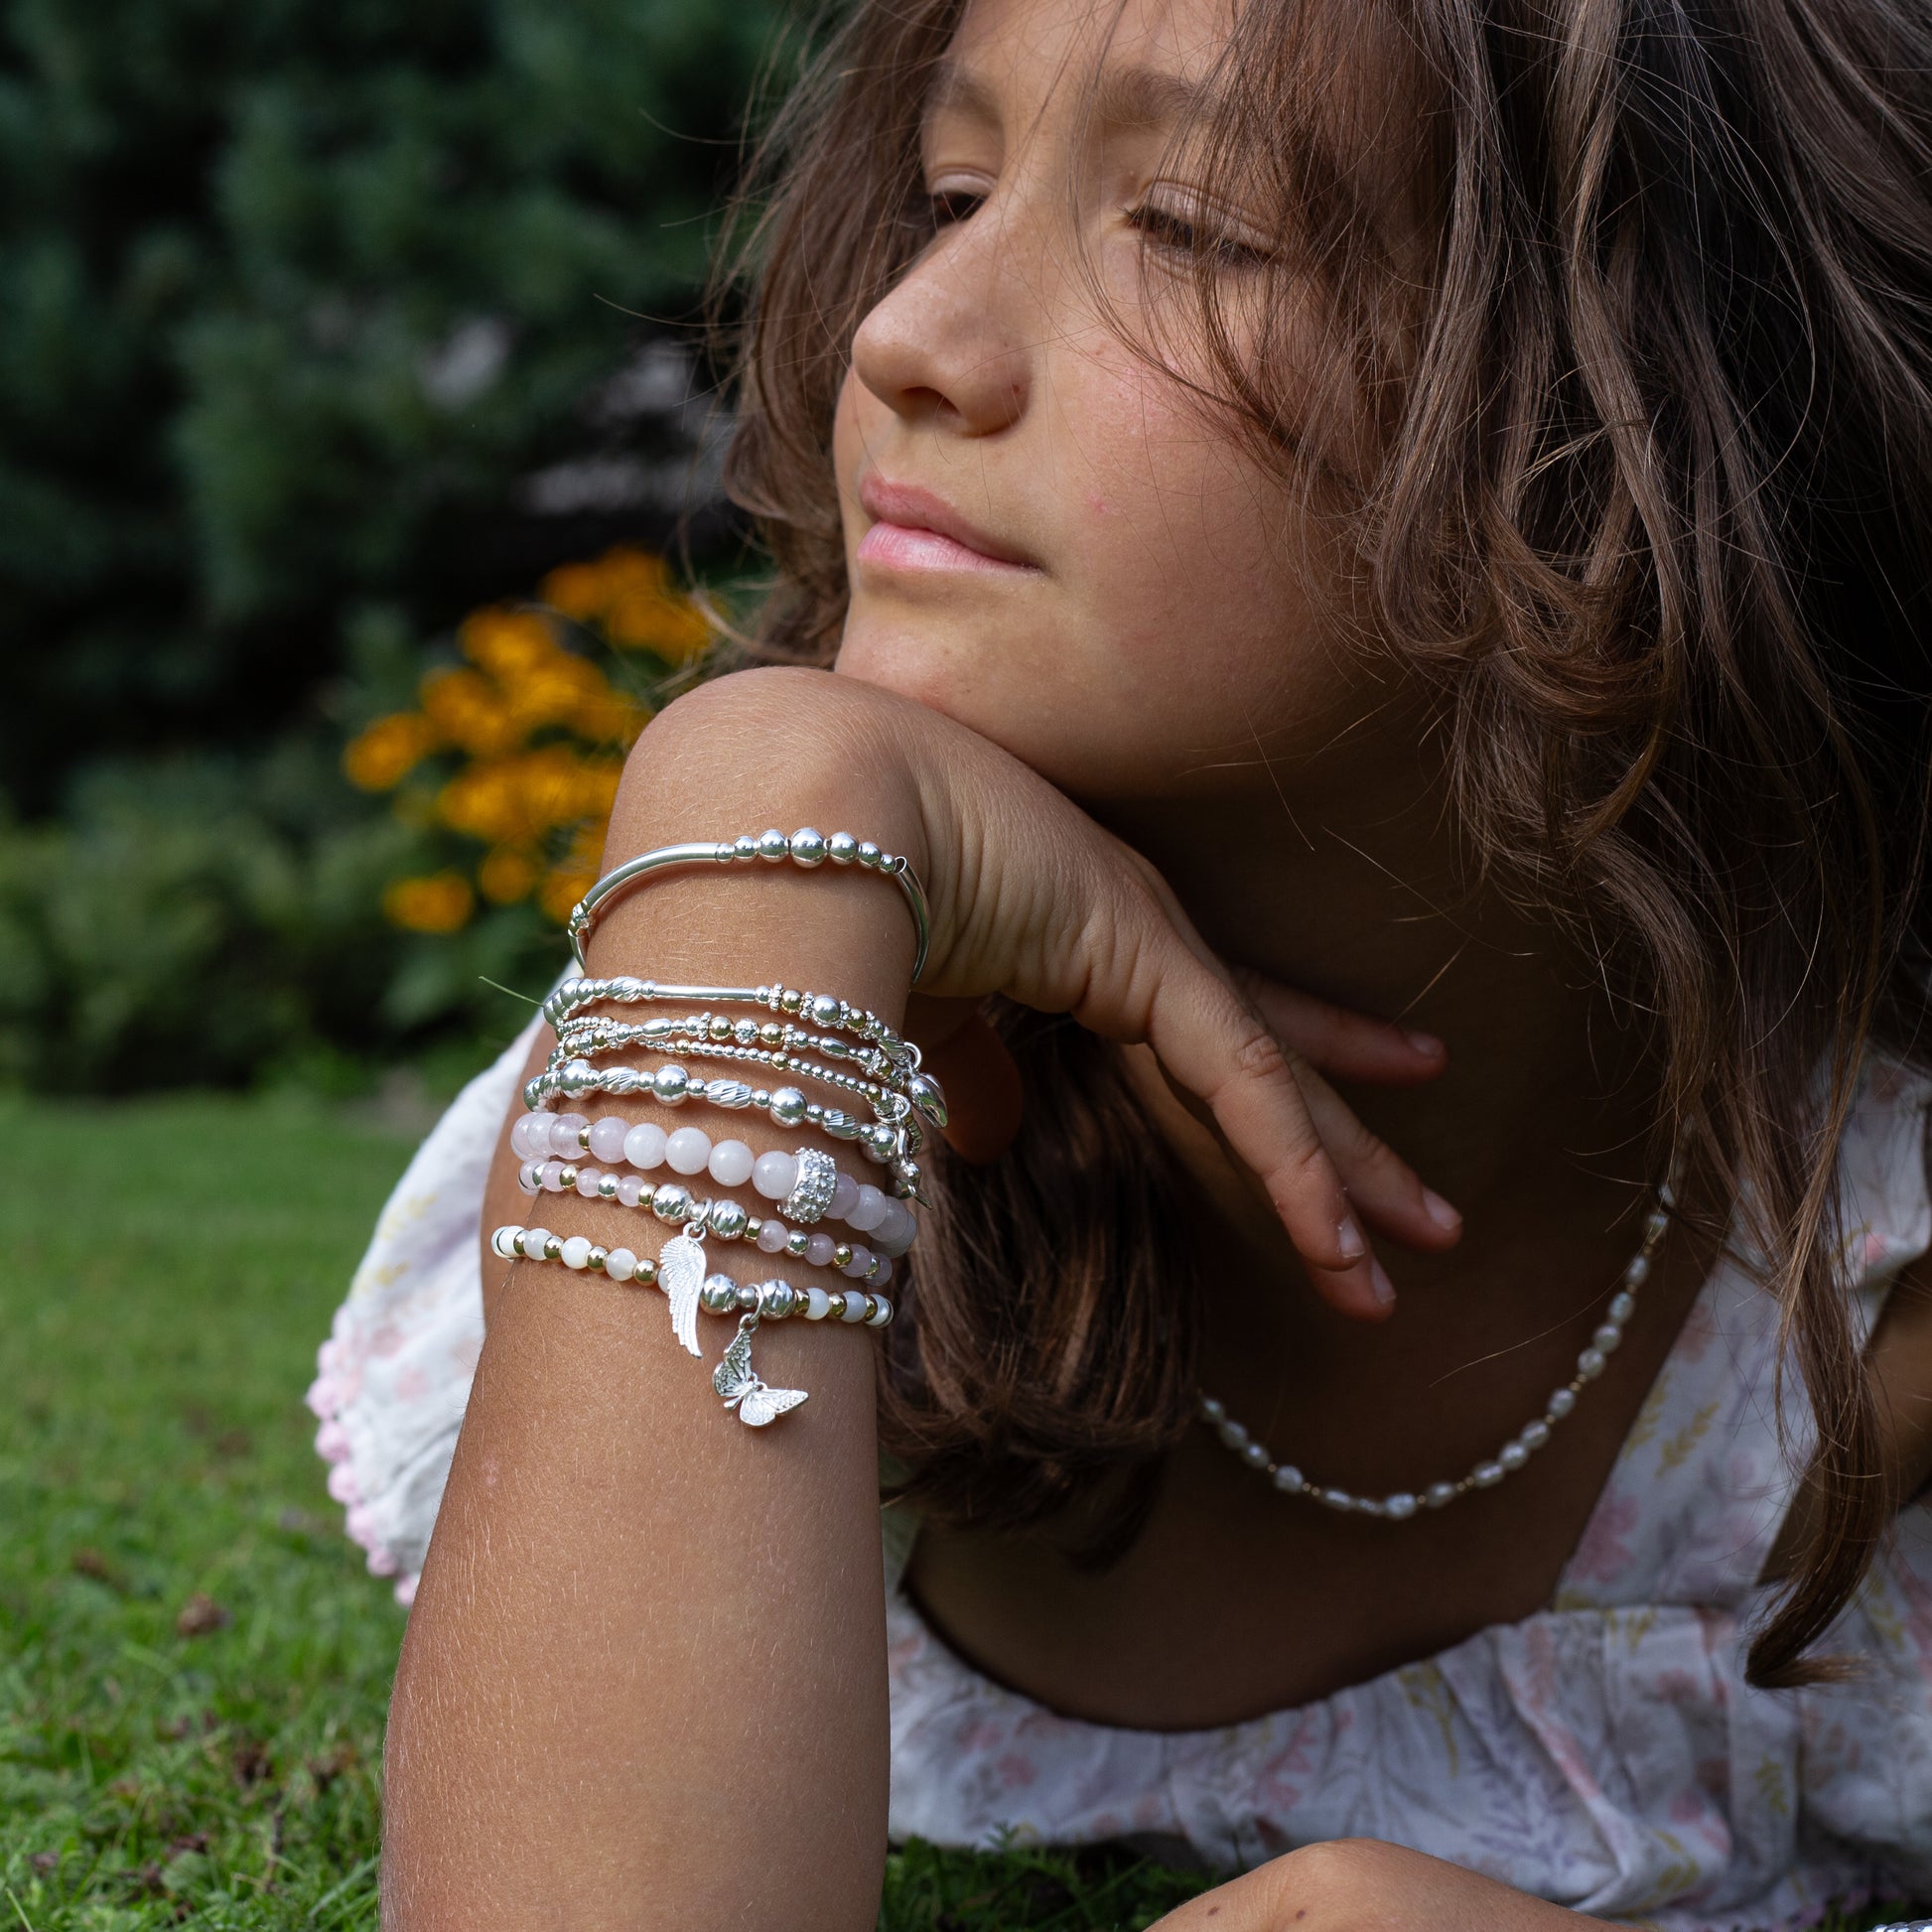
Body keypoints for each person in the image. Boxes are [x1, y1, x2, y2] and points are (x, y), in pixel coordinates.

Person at [309, 0, 1932, 1923]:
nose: (907, 339)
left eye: (1188, 226)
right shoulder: (764, 1079)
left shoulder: (1864, 1279)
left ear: (1647, 426)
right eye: (949, 189)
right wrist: (761, 792)